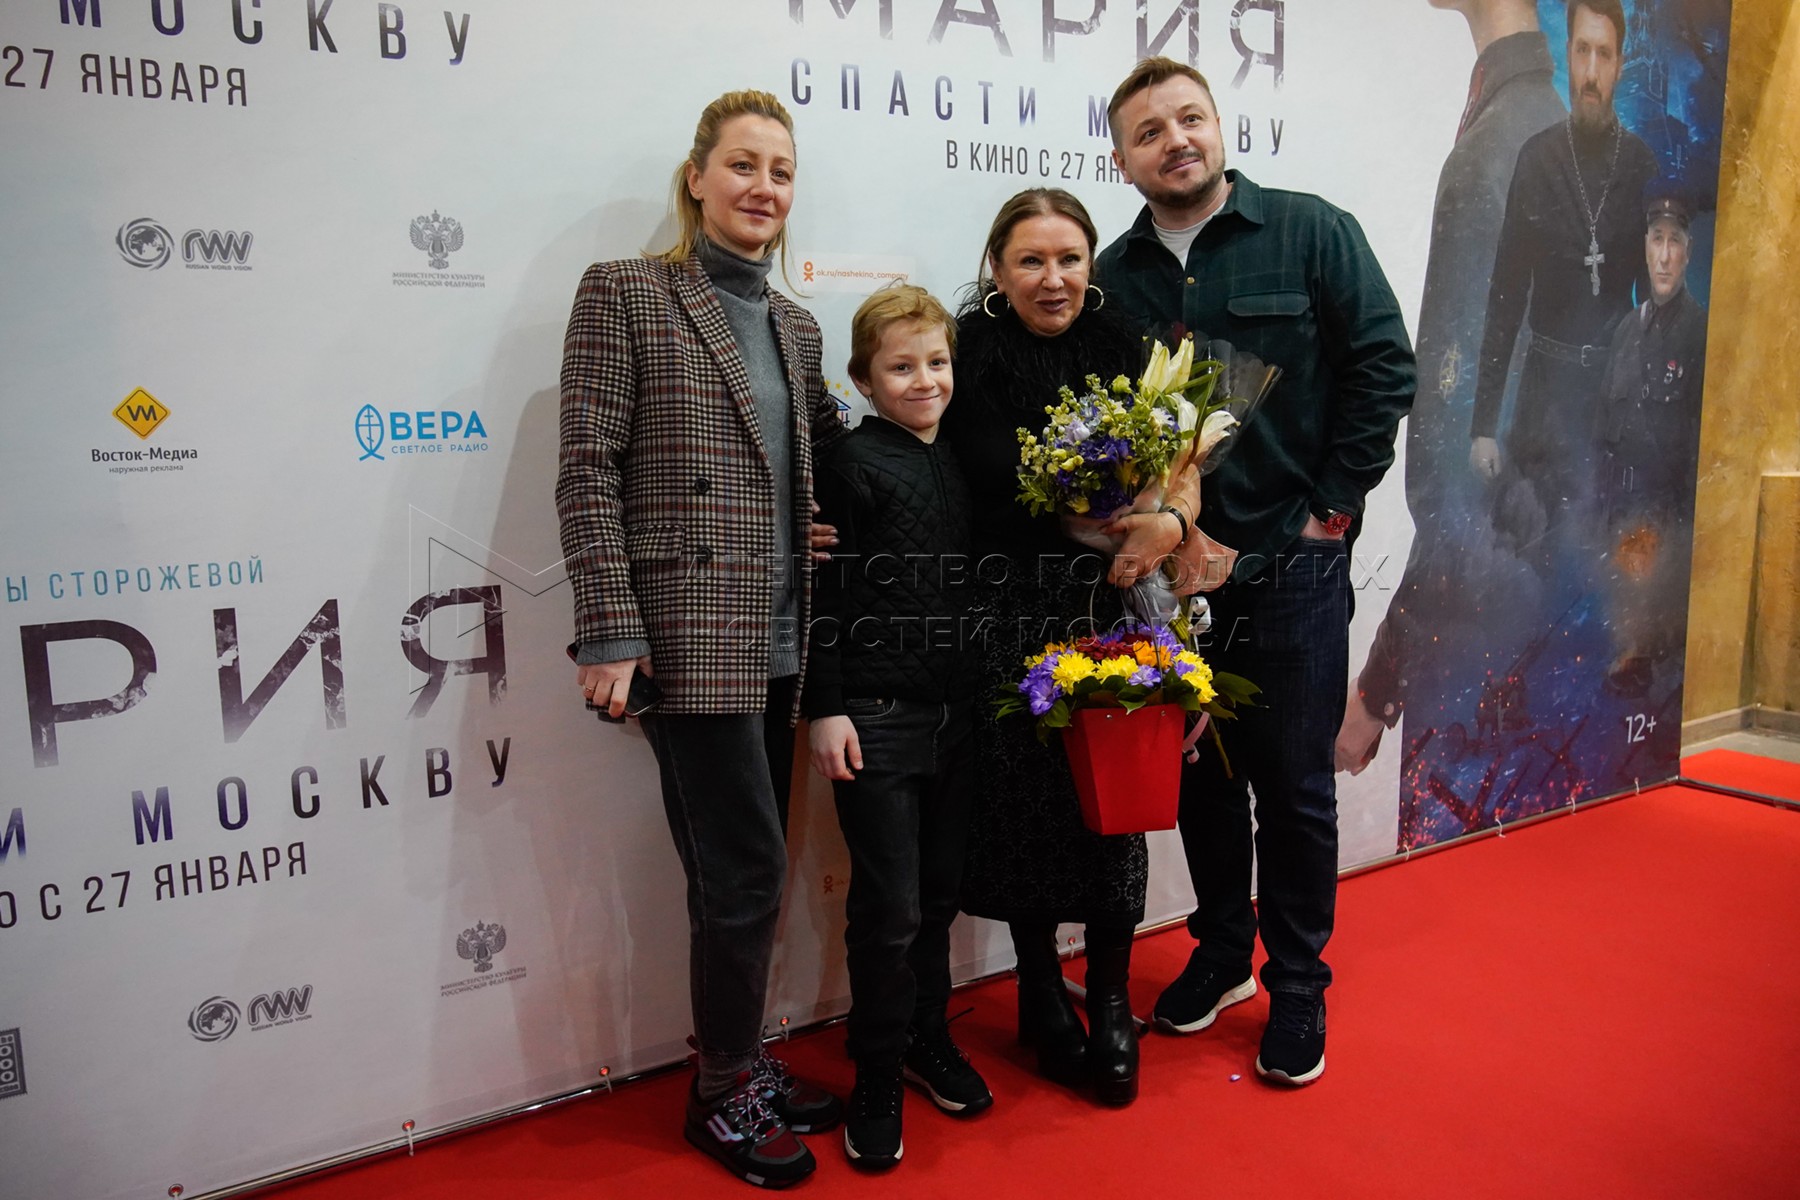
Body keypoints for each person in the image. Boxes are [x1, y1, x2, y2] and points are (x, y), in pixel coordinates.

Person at [1096, 57, 1416, 1085]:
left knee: (1293, 788)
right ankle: (1223, 951)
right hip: (1170, 580)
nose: (1175, 141)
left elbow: (1384, 371)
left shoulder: (1312, 231)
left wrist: (1325, 518)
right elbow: (1108, 427)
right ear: (1122, 159)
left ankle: (1298, 985)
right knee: (1199, 778)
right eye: (1149, 132)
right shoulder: (1113, 275)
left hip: (1291, 566)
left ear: (1219, 125)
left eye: (1189, 118)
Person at [554, 89, 846, 1189]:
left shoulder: (797, 326)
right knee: (747, 870)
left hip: (782, 638)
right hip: (684, 641)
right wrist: (609, 628)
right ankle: (721, 1092)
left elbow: (804, 461)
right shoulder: (627, 292)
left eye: (781, 170)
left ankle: (742, 1059)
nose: (764, 186)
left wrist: (811, 518)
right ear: (696, 177)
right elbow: (588, 467)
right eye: (743, 164)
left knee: (740, 875)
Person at [939, 188, 1193, 1107]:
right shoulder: (965, 356)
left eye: (1070, 259)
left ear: (1092, 265)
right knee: (1028, 811)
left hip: (1111, 603)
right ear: (997, 270)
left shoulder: (1130, 352)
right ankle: (1041, 991)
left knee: (1112, 807)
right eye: (1031, 261)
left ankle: (1113, 997)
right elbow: (958, 483)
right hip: (1006, 611)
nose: (1054, 279)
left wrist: (1162, 522)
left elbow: (1177, 471)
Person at [1337, 0, 1565, 773]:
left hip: (1475, 631)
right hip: (1532, 605)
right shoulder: (1542, 124)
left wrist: (1380, 683)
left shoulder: (1498, 148)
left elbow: (1460, 481)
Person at [805, 284, 991, 1170]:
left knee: (939, 899)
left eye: (938, 362)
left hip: (957, 716)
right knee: (889, 911)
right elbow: (820, 591)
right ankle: (875, 1070)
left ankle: (925, 1037)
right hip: (874, 717)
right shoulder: (848, 464)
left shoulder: (957, 458)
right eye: (902, 366)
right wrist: (825, 705)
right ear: (864, 380)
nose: (925, 381)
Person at [1467, 0, 1657, 578]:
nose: (1591, 72)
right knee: (1531, 565)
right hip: (1541, 405)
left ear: (1620, 64)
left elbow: (1653, 314)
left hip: (1607, 405)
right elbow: (1505, 297)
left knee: (1599, 571)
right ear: (1567, 55)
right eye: (1582, 52)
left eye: (1604, 55)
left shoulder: (1642, 167)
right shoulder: (1537, 159)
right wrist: (1483, 426)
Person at [1593, 186, 1706, 707]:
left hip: (1669, 525)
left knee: (1663, 671)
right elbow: (1604, 432)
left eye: (1674, 242)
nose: (1664, 256)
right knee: (1624, 663)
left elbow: (1699, 449)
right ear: (1645, 246)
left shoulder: (1700, 333)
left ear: (1688, 252)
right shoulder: (1625, 330)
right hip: (1623, 518)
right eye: (1656, 239)